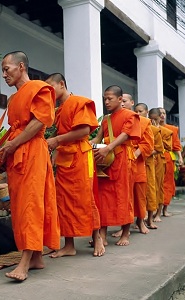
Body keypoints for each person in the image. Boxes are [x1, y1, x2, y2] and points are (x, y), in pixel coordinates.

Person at [0, 51, 60, 281]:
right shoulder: (13, 99)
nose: (4, 74)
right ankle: (36, 257)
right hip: (17, 154)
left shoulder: (39, 88)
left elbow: (40, 121)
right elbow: (12, 129)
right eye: (2, 70)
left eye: (7, 69)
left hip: (33, 151)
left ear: (21, 66)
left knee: (31, 203)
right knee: (21, 204)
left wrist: (12, 145)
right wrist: (1, 150)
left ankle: (23, 263)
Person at [45, 73, 104, 257]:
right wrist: (55, 150)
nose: (49, 93)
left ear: (62, 84)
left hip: (80, 156)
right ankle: (69, 245)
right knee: (63, 201)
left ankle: (97, 238)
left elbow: (84, 130)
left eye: (50, 87)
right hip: (64, 158)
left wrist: (57, 140)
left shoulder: (79, 102)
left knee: (86, 198)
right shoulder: (59, 109)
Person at [91, 85, 140, 246]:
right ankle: (102, 234)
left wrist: (109, 148)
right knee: (103, 197)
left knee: (123, 196)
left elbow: (126, 135)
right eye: (105, 98)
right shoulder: (106, 119)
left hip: (122, 159)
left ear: (120, 99)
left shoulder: (131, 115)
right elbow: (98, 138)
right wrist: (84, 145)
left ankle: (125, 233)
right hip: (105, 162)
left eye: (110, 99)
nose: (106, 102)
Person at [121, 95, 153, 235]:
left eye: (124, 101)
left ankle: (140, 221)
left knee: (139, 193)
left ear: (131, 103)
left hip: (136, 161)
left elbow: (147, 143)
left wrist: (134, 155)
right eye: (120, 101)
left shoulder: (143, 121)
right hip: (120, 161)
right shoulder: (115, 119)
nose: (122, 104)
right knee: (123, 194)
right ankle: (124, 227)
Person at [135, 103, 159, 230]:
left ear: (146, 112)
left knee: (149, 192)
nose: (138, 114)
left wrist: (142, 151)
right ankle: (135, 221)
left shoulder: (154, 129)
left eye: (140, 111)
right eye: (136, 111)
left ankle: (148, 218)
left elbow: (158, 148)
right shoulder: (131, 124)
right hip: (134, 162)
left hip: (148, 163)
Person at [159, 107, 182, 218]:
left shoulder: (172, 129)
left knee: (168, 183)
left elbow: (176, 145)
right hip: (155, 157)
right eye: (160, 113)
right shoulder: (152, 127)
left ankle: (165, 209)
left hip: (168, 158)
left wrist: (180, 158)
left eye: (164, 113)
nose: (162, 115)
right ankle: (155, 210)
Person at [148, 108, 168, 223]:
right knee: (149, 187)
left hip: (159, 160)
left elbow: (167, 146)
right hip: (149, 160)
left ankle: (158, 213)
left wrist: (157, 132)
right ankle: (147, 213)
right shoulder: (147, 128)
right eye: (152, 119)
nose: (153, 121)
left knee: (158, 186)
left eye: (156, 119)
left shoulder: (166, 131)